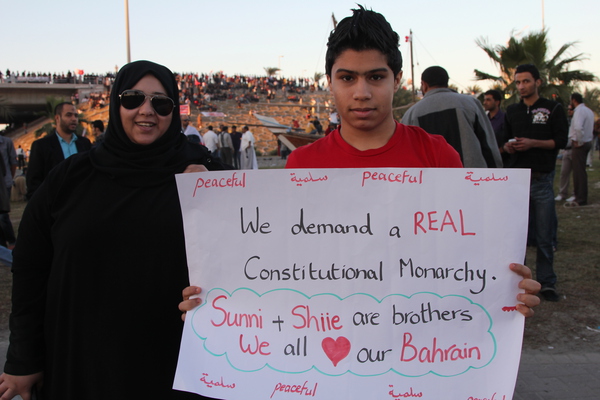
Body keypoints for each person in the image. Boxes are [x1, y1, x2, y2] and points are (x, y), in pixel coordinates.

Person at [179, 6, 540, 320]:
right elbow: (284, 264)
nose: (362, 92)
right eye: (347, 78)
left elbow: (464, 257)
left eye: (376, 77)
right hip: (330, 337)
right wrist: (215, 300)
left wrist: (505, 287)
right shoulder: (302, 165)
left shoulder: (438, 156)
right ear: (330, 82)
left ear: (397, 80)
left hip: (418, 339)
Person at [0, 60, 225, 400]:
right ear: (116, 104)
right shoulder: (70, 178)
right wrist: (23, 358)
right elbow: (31, 267)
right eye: (133, 99)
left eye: (161, 103)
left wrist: (216, 187)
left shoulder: (203, 174)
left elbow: (249, 246)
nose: (146, 110)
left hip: (175, 360)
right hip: (83, 360)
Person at [502, 63, 568, 302]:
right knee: (516, 237)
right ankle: (517, 285)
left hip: (541, 179)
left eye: (526, 81)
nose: (521, 86)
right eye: (518, 82)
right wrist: (509, 147)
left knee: (544, 235)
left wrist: (533, 143)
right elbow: (503, 142)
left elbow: (560, 141)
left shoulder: (553, 108)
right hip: (516, 181)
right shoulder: (512, 111)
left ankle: (547, 283)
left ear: (538, 82)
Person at [402, 66, 502, 168]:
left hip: (431, 176)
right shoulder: (470, 104)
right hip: (471, 175)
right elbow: (489, 144)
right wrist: (496, 173)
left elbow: (406, 153)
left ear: (424, 85)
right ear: (446, 82)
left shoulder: (412, 114)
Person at [25, 102, 92, 200]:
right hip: (55, 202)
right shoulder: (42, 145)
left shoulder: (84, 143)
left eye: (76, 115)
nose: (74, 119)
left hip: (82, 201)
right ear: (57, 118)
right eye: (69, 115)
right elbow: (34, 181)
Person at [567, 92, 594, 206]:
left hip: (580, 144)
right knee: (581, 171)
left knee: (578, 172)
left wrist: (579, 140)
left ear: (574, 100)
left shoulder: (579, 111)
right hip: (587, 142)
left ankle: (580, 197)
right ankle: (579, 195)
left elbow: (578, 127)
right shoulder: (589, 111)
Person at [483, 89, 508, 166]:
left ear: (497, 102)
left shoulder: (505, 118)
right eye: (484, 100)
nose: (485, 103)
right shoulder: (484, 119)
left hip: (502, 161)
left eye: (488, 100)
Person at [556, 104, 575, 202]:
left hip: (575, 148)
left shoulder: (577, 120)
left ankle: (575, 193)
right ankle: (562, 193)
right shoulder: (566, 120)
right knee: (564, 172)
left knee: (576, 173)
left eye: (571, 109)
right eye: (568, 109)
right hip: (566, 148)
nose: (569, 111)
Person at [0, 135, 17, 248]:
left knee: (2, 215)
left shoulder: (6, 142)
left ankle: (11, 242)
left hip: (4, 183)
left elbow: (12, 162)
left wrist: (9, 178)